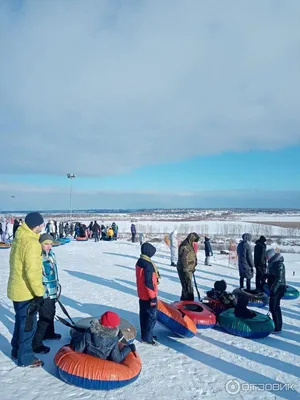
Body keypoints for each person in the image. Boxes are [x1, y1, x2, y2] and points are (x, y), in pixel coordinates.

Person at [7, 212, 45, 367]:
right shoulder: (32, 243)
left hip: (17, 289)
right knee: (28, 325)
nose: (43, 226)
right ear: (36, 225)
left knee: (20, 322)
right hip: (26, 291)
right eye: (42, 224)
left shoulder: (20, 237)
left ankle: (16, 350)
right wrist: (39, 293)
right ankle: (26, 357)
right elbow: (32, 272)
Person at [32, 234, 61, 354]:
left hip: (53, 290)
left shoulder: (51, 255)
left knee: (52, 312)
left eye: (50, 243)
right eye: (46, 244)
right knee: (44, 318)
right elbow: (36, 277)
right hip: (44, 292)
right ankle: (36, 344)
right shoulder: (38, 257)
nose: (49, 246)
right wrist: (42, 293)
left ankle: (49, 333)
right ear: (40, 244)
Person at [135, 243, 160, 345]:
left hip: (142, 294)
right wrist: (153, 297)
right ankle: (147, 338)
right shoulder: (148, 265)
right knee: (152, 317)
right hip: (149, 295)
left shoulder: (140, 261)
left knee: (144, 316)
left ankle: (146, 334)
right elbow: (148, 282)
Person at [266, 249, 286, 333]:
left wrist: (273, 289)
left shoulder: (279, 264)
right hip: (274, 287)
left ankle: (278, 327)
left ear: (271, 256)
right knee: (272, 306)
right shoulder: (272, 263)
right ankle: (274, 323)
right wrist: (265, 276)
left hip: (279, 288)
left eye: (267, 256)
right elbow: (272, 274)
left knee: (275, 307)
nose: (266, 258)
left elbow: (279, 278)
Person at [177, 232, 200, 301]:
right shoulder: (185, 246)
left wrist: (193, 266)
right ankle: (188, 301)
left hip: (188, 269)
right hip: (184, 269)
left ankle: (184, 300)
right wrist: (186, 269)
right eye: (194, 241)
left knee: (186, 287)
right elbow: (183, 259)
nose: (195, 243)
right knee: (188, 287)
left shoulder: (189, 244)